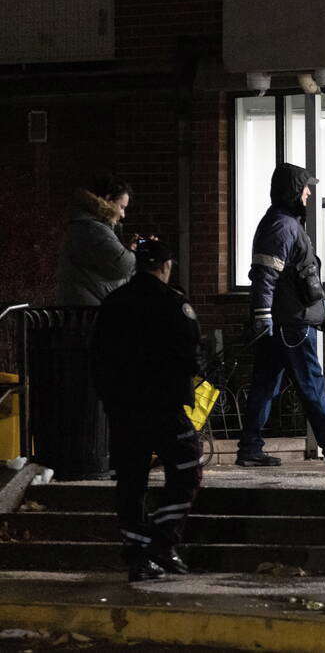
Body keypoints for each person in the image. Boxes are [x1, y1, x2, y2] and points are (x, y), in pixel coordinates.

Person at [239, 163, 325, 467]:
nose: (309, 192)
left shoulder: (282, 222)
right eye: (305, 187)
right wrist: (263, 315)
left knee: (265, 386)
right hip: (292, 324)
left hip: (284, 321)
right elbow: (266, 274)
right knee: (311, 384)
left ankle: (250, 448)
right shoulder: (283, 226)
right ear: (293, 190)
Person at [91, 240, 201, 582]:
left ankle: (138, 555)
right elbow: (189, 354)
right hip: (165, 407)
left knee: (131, 479)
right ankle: (162, 540)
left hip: (124, 409)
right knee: (186, 469)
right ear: (166, 265)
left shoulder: (112, 304)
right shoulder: (173, 304)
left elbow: (97, 357)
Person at [56, 174, 138, 305]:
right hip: (87, 312)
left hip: (88, 305)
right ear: (108, 199)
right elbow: (122, 265)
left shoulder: (89, 224)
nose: (123, 214)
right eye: (122, 207)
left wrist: (129, 250)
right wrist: (136, 253)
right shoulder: (92, 228)